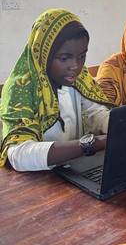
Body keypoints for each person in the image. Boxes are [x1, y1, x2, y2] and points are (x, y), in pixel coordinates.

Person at [0, 9, 112, 172]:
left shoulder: (78, 77)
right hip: (40, 182)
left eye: (82, 56)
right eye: (64, 58)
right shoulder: (20, 88)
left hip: (75, 171)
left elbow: (95, 113)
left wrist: (122, 128)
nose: (76, 66)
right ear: (44, 54)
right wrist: (91, 144)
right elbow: (19, 154)